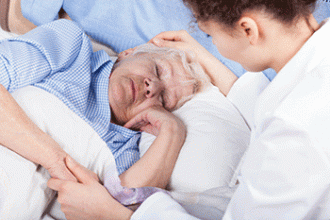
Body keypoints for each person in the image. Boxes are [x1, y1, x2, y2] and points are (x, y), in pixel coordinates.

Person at [45, 0, 330, 219]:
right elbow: (270, 105)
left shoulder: (292, 136)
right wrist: (199, 54)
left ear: (247, 30)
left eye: (210, 35)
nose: (213, 44)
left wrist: (116, 214)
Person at [0, 17, 211, 210]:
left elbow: (117, 209)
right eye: (157, 70)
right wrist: (54, 160)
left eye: (163, 99)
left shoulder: (125, 147)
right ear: (129, 52)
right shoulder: (72, 47)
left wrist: (173, 132)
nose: (152, 87)